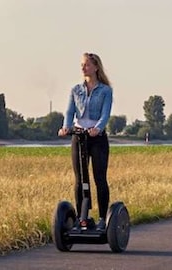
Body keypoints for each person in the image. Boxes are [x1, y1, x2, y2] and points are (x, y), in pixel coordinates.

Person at [58, 52, 114, 229]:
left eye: (87, 65)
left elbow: (105, 114)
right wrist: (66, 127)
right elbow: (69, 112)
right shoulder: (76, 89)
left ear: (96, 67)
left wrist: (97, 128)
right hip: (79, 136)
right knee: (80, 179)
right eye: (82, 65)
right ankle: (82, 218)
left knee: (99, 178)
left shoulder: (105, 90)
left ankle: (103, 219)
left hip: (97, 138)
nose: (83, 67)